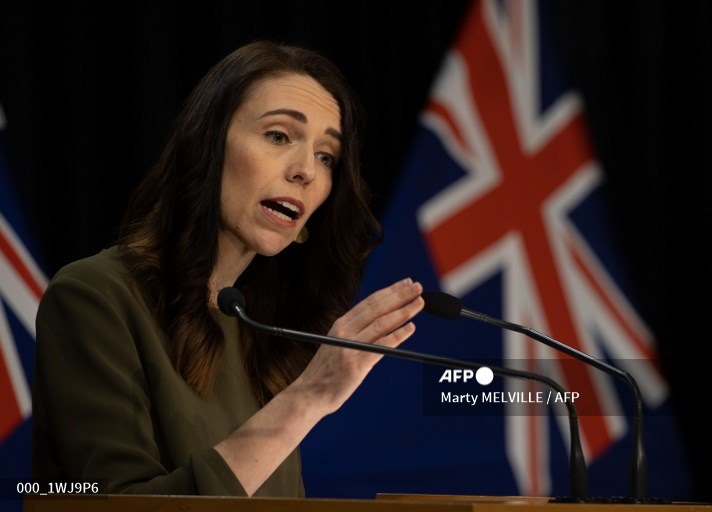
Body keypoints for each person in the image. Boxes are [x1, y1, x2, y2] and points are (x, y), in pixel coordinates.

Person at [31, 41, 424, 497]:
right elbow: (112, 505)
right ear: (208, 145)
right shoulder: (93, 297)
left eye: (326, 156)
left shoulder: (265, 330)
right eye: (279, 136)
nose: (306, 171)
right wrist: (308, 398)